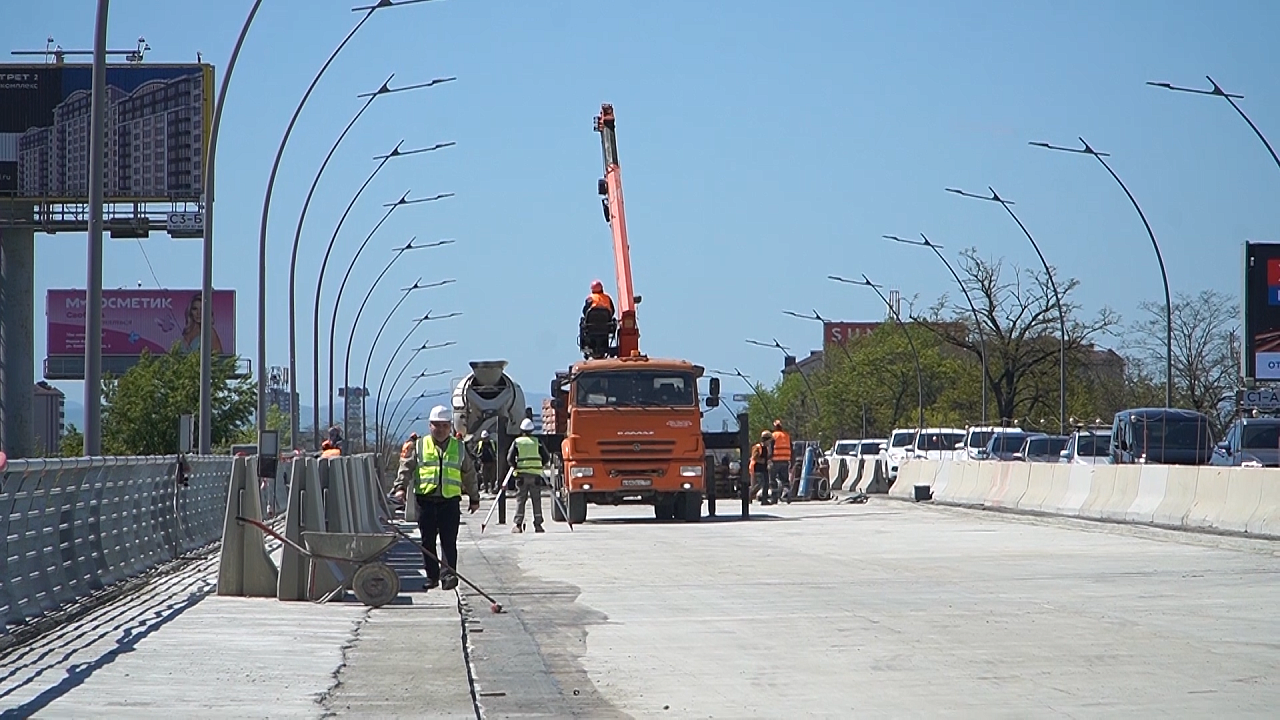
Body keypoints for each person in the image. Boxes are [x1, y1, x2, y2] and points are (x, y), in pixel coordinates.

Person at [392, 405, 481, 590]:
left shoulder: (459, 447)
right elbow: (406, 467)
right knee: (427, 541)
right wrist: (400, 488)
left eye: (444, 426)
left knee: (449, 541)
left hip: (449, 501)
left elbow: (469, 473)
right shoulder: (419, 445)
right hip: (425, 501)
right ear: (429, 426)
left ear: (450, 427)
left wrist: (474, 497)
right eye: (436, 425)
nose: (440, 430)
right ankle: (432, 576)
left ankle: (448, 575)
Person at [506, 418, 550, 533]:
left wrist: (516, 466)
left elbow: (509, 458)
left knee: (521, 500)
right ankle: (538, 525)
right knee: (536, 500)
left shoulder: (517, 442)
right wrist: (539, 465)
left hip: (521, 475)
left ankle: (518, 525)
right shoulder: (537, 442)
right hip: (535, 476)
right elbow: (546, 457)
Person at [579, 280, 617, 359]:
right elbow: (612, 311)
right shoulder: (607, 298)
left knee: (582, 323)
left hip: (591, 328)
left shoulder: (590, 298)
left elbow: (584, 311)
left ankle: (586, 345)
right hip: (605, 328)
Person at [769, 419, 791, 503]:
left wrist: (768, 458)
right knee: (785, 479)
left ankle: (774, 498)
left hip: (775, 461)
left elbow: (771, 449)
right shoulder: (786, 435)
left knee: (773, 480)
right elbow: (791, 448)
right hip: (785, 460)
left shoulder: (773, 436)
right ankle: (787, 492)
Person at [749, 430, 773, 505]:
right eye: (769, 440)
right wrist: (761, 460)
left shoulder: (766, 448)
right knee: (759, 484)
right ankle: (749, 496)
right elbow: (754, 457)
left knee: (766, 483)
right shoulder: (758, 447)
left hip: (764, 468)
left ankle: (764, 500)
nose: (770, 442)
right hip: (757, 468)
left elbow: (767, 457)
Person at [474, 430, 497, 495]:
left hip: (492, 462)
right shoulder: (480, 444)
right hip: (484, 463)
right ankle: (486, 489)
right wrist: (478, 457)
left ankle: (492, 489)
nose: (485, 440)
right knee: (484, 476)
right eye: (484, 438)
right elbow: (474, 452)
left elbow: (496, 450)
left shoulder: (492, 443)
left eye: (486, 438)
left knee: (492, 476)